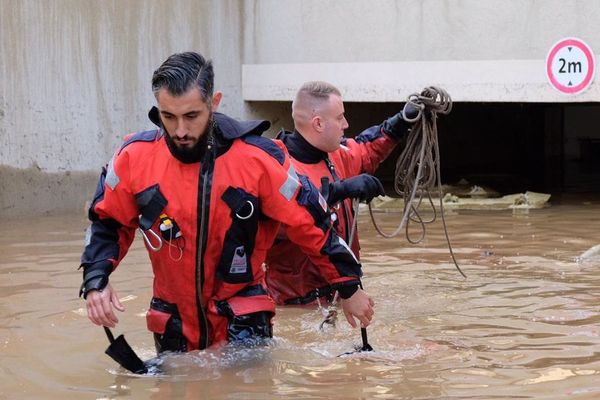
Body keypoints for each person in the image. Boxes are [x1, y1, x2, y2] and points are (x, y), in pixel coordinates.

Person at [78, 53, 374, 354]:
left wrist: (349, 287)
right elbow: (107, 222)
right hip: (174, 326)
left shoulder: (259, 159)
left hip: (244, 322)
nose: (180, 131)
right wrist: (96, 279)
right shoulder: (134, 158)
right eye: (169, 116)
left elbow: (311, 222)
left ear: (214, 102)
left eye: (191, 116)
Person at [265, 81, 416, 306]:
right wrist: (338, 191)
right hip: (296, 305)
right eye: (340, 118)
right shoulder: (275, 167)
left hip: (343, 295)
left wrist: (402, 121)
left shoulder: (336, 155)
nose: (346, 124)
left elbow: (366, 150)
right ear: (318, 123)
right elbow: (291, 216)